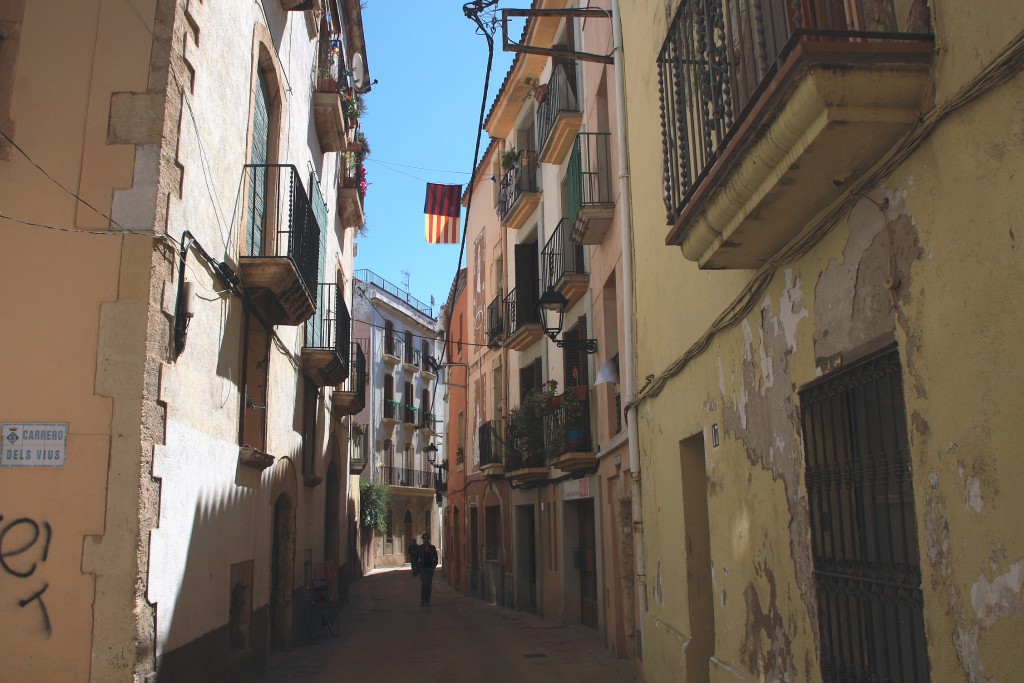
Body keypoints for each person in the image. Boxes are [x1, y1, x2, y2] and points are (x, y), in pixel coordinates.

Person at [419, 532, 438, 606]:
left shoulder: (432, 547)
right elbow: (417, 558)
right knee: (424, 584)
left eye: (427, 538)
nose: (425, 540)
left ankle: (428, 600)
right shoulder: (420, 548)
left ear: (429, 539)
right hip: (423, 568)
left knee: (429, 584)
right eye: (424, 538)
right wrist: (419, 567)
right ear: (423, 539)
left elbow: (436, 558)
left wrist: (433, 567)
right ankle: (423, 599)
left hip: (430, 568)